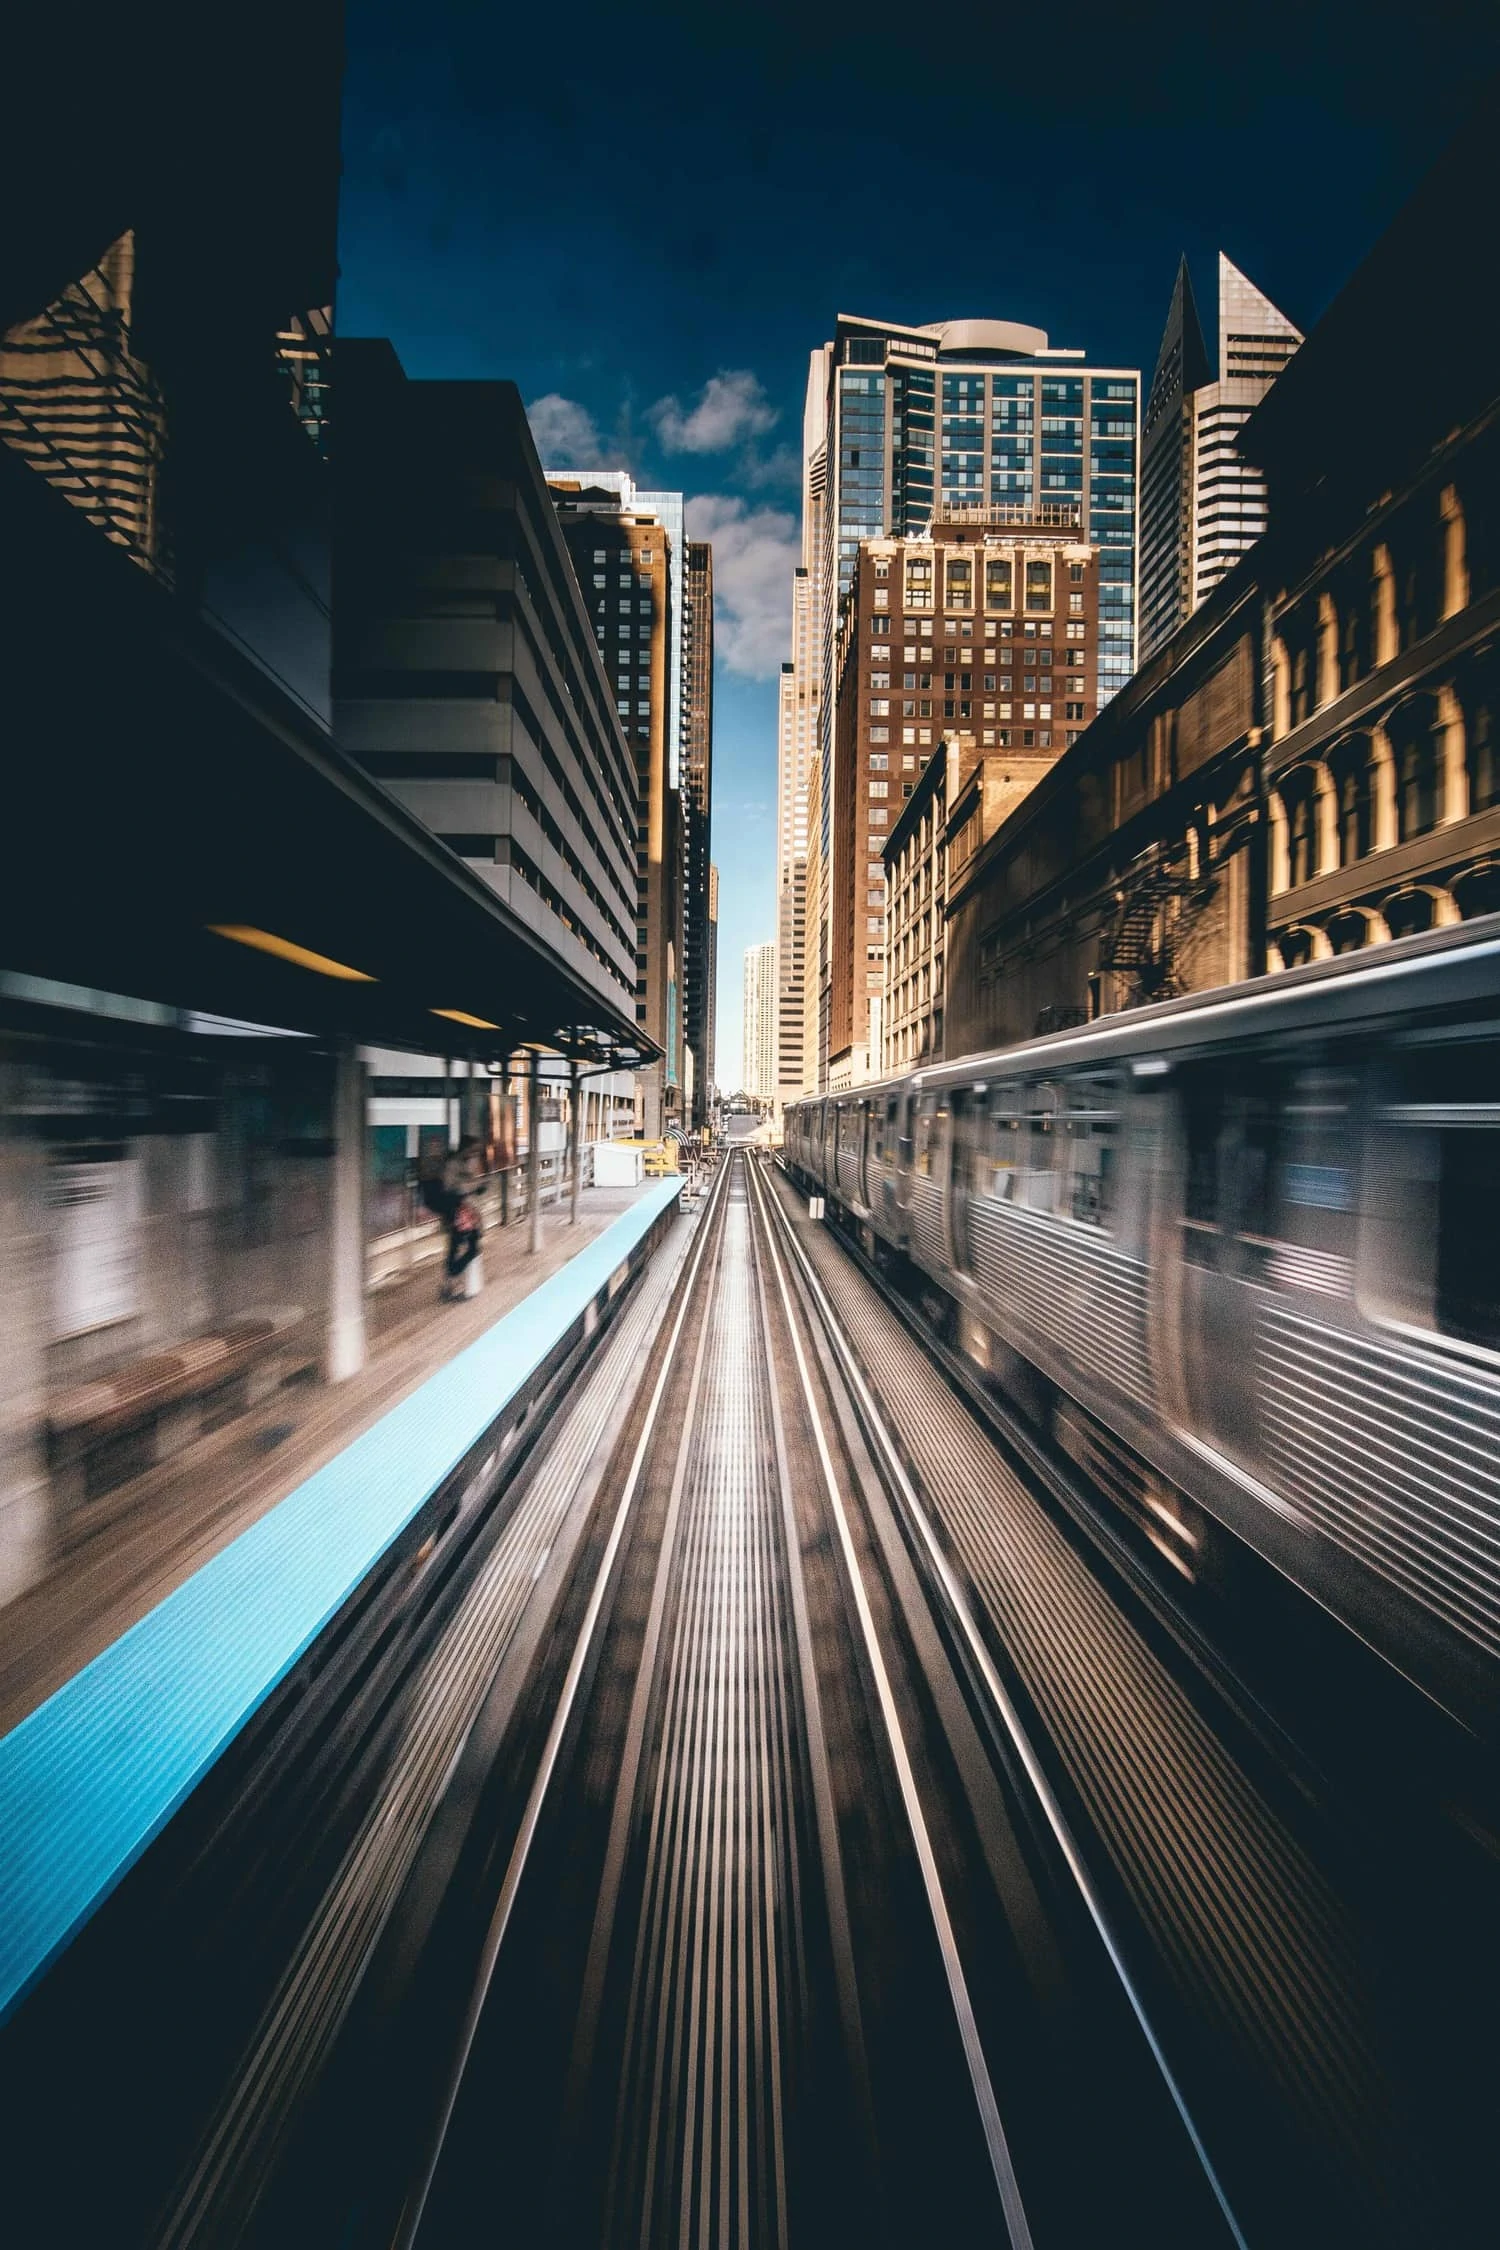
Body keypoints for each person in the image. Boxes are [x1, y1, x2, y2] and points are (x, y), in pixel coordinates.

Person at [439, 1138, 484, 1301]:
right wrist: (474, 1187)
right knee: (465, 1248)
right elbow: (452, 1188)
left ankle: (450, 1285)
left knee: (458, 1248)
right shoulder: (454, 1165)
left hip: (464, 1215)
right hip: (457, 1215)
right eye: (472, 1150)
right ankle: (451, 1281)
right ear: (465, 1149)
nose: (474, 1154)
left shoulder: (462, 1164)